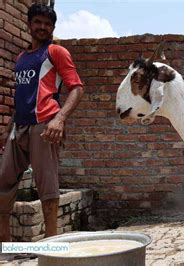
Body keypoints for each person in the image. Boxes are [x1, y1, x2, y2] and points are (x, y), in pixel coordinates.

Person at [0, 3, 84, 242]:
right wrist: (8, 130)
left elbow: (77, 89)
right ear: (29, 24)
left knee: (47, 187)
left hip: (45, 125)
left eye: (48, 24)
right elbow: (22, 96)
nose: (42, 27)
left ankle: (51, 245)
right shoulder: (21, 58)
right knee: (3, 184)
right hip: (20, 128)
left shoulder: (56, 52)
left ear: (52, 28)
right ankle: (5, 245)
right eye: (37, 22)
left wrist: (59, 119)